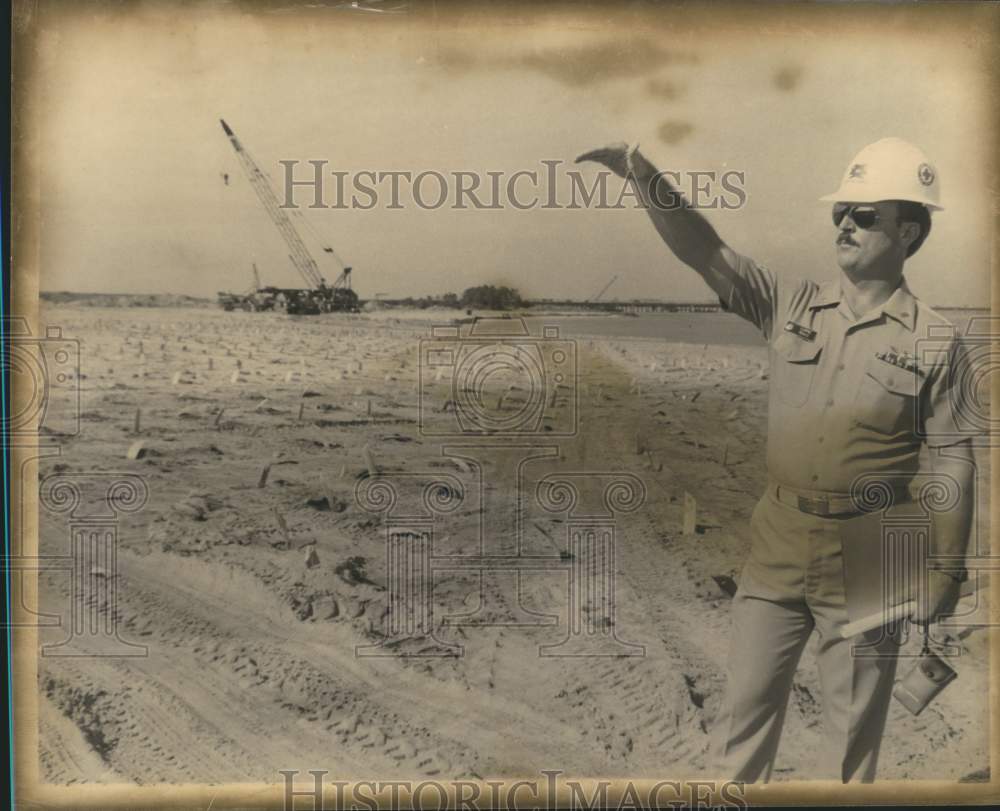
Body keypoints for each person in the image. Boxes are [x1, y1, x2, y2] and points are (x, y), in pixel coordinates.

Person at [576, 137, 976, 782]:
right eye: (840, 211)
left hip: (877, 544)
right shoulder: (790, 303)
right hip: (778, 537)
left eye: (865, 215)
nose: (845, 223)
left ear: (909, 230)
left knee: (850, 744)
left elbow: (955, 457)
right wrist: (643, 176)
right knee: (741, 720)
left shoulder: (936, 338)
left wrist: (946, 574)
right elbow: (705, 250)